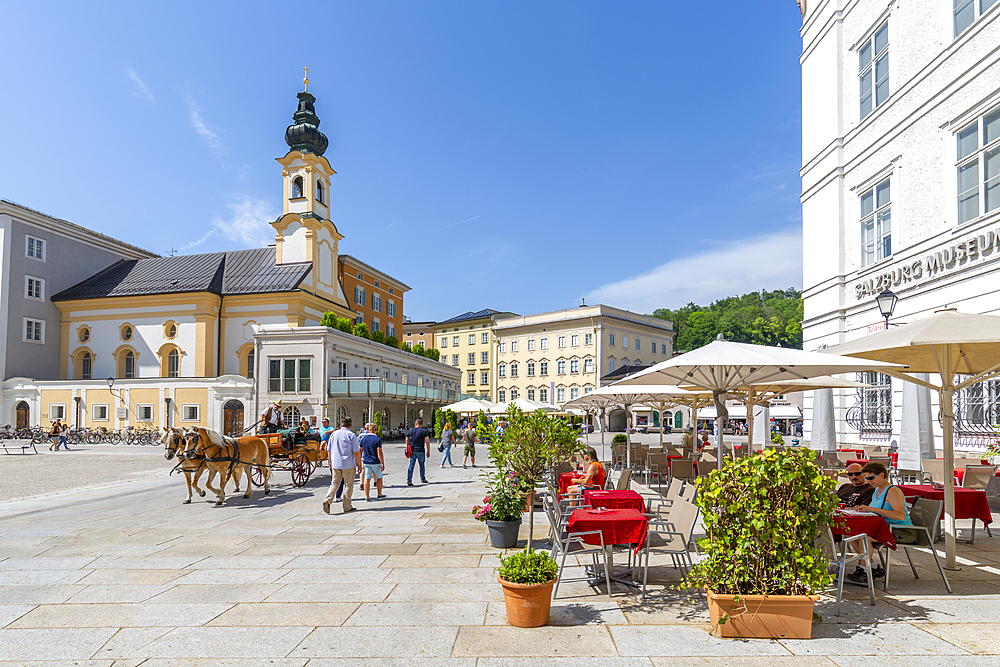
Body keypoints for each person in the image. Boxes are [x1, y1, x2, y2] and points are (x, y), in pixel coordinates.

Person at [846, 461, 916, 584]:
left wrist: (872, 509)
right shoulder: (877, 490)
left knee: (865, 538)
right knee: (851, 534)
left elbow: (900, 515)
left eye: (871, 477)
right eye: (867, 478)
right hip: (885, 528)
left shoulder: (893, 491)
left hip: (901, 531)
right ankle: (873, 567)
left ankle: (864, 570)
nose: (869, 481)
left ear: (882, 475)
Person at [323, 417, 362, 514]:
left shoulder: (334, 434)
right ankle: (347, 506)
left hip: (336, 463)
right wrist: (359, 465)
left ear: (341, 425)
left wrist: (330, 461)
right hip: (348, 464)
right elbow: (356, 452)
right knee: (348, 485)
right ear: (350, 425)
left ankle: (327, 500)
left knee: (335, 483)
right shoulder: (351, 435)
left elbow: (329, 449)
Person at [360, 422, 386, 501]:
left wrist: (359, 461)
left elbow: (360, 450)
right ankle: (379, 494)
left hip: (366, 461)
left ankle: (367, 496)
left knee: (367, 478)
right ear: (375, 430)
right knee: (379, 477)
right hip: (375, 461)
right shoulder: (377, 439)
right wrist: (382, 462)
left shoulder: (363, 439)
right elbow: (379, 452)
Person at [405, 418, 430, 486]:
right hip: (421, 450)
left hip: (413, 450)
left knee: (411, 465)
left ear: (416, 423)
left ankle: (409, 480)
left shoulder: (411, 430)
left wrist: (407, 446)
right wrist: (428, 451)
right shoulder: (424, 431)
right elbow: (427, 442)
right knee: (422, 465)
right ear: (421, 424)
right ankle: (422, 478)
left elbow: (407, 439)